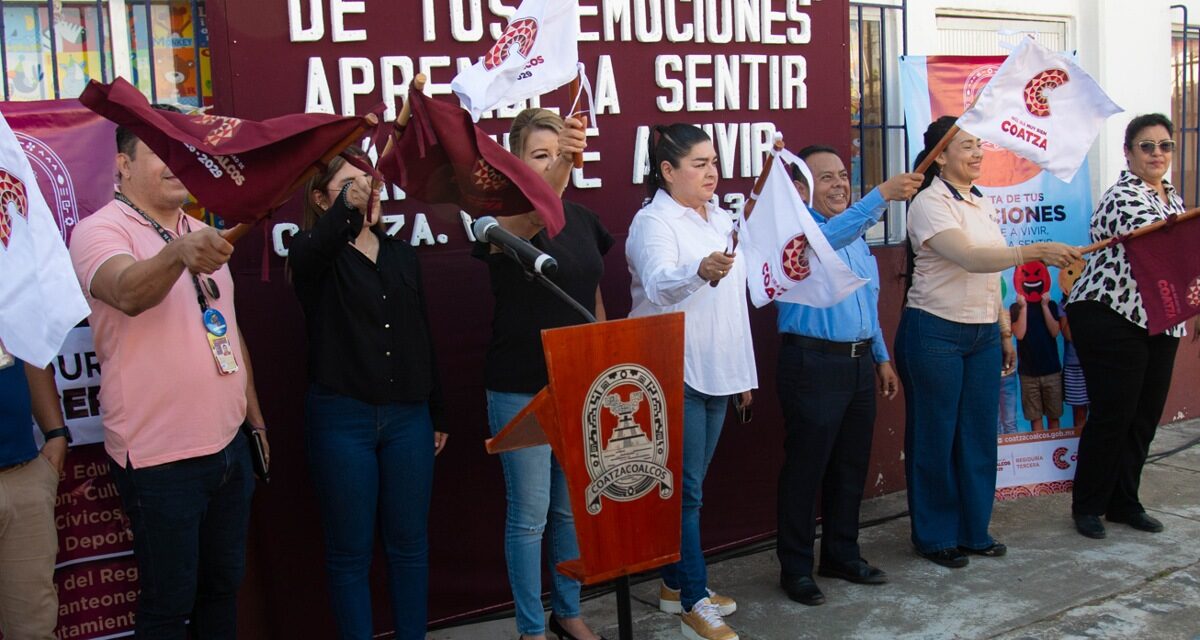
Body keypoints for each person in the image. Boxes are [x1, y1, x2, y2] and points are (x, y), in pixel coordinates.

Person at [69, 107, 267, 638]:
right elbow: (129, 292)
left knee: (222, 590)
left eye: (183, 150)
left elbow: (227, 327)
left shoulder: (201, 230)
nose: (176, 164)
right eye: (160, 152)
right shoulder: (98, 231)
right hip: (160, 462)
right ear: (122, 165)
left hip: (229, 449)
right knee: (167, 606)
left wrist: (255, 421)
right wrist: (178, 253)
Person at [894, 115, 1079, 569]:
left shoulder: (981, 200)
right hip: (934, 331)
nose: (978, 154)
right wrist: (1034, 251)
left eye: (979, 145)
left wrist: (1001, 329)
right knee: (935, 438)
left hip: (982, 334)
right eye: (967, 146)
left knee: (978, 435)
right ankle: (935, 536)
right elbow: (971, 257)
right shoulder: (927, 203)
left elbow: (992, 276)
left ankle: (974, 531)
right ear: (940, 158)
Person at [288, 146, 446, 639]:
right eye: (349, 187)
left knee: (409, 545)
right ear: (321, 198)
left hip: (408, 420)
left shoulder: (402, 255)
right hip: (343, 420)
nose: (366, 195)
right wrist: (345, 211)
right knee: (350, 552)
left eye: (369, 185)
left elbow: (421, 333)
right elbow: (313, 253)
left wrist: (436, 411)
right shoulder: (312, 254)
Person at [475, 108, 608, 640]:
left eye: (562, 152)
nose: (556, 163)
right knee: (530, 516)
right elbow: (533, 214)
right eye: (541, 155)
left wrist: (605, 351)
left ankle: (567, 613)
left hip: (579, 382)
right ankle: (531, 629)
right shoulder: (504, 221)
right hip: (519, 387)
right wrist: (556, 171)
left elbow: (592, 293)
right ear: (515, 164)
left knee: (572, 510)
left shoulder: (584, 220)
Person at [773, 145, 921, 606]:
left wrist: (879, 357)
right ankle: (795, 568)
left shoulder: (855, 236)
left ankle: (841, 553)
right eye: (827, 178)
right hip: (812, 364)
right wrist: (880, 196)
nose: (839, 184)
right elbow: (825, 242)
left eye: (844, 175)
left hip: (857, 363)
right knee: (806, 469)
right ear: (802, 188)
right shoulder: (797, 234)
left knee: (849, 467)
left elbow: (867, 304)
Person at [626, 124, 755, 640]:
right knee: (686, 493)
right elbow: (658, 286)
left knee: (689, 488)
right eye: (698, 163)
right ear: (667, 170)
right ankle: (694, 601)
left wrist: (742, 373)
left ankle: (674, 585)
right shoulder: (652, 221)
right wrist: (699, 270)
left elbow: (733, 304)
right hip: (672, 369)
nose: (711, 171)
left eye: (713, 161)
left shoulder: (721, 216)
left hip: (718, 368)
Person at [1066, 113, 1185, 540]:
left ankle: (1124, 502)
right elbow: (1161, 245)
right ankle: (1088, 506)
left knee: (1144, 417)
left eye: (1165, 146)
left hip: (1160, 321)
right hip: (1111, 315)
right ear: (1128, 152)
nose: (1157, 154)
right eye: (1147, 146)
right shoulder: (1123, 196)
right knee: (1114, 414)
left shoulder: (1173, 198)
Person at [0, 354, 68, 639]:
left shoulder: (7, 307)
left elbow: (28, 354)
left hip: (23, 476)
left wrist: (55, 433)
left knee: (34, 628)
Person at [1010, 262, 1063, 431]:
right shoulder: (1015, 308)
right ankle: (1040, 454)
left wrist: (1045, 306)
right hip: (1028, 373)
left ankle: (1055, 453)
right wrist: (1024, 307)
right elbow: (1019, 334)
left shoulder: (1052, 305)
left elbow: (1055, 332)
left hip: (1052, 370)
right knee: (1035, 418)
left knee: (1054, 417)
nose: (1031, 279)